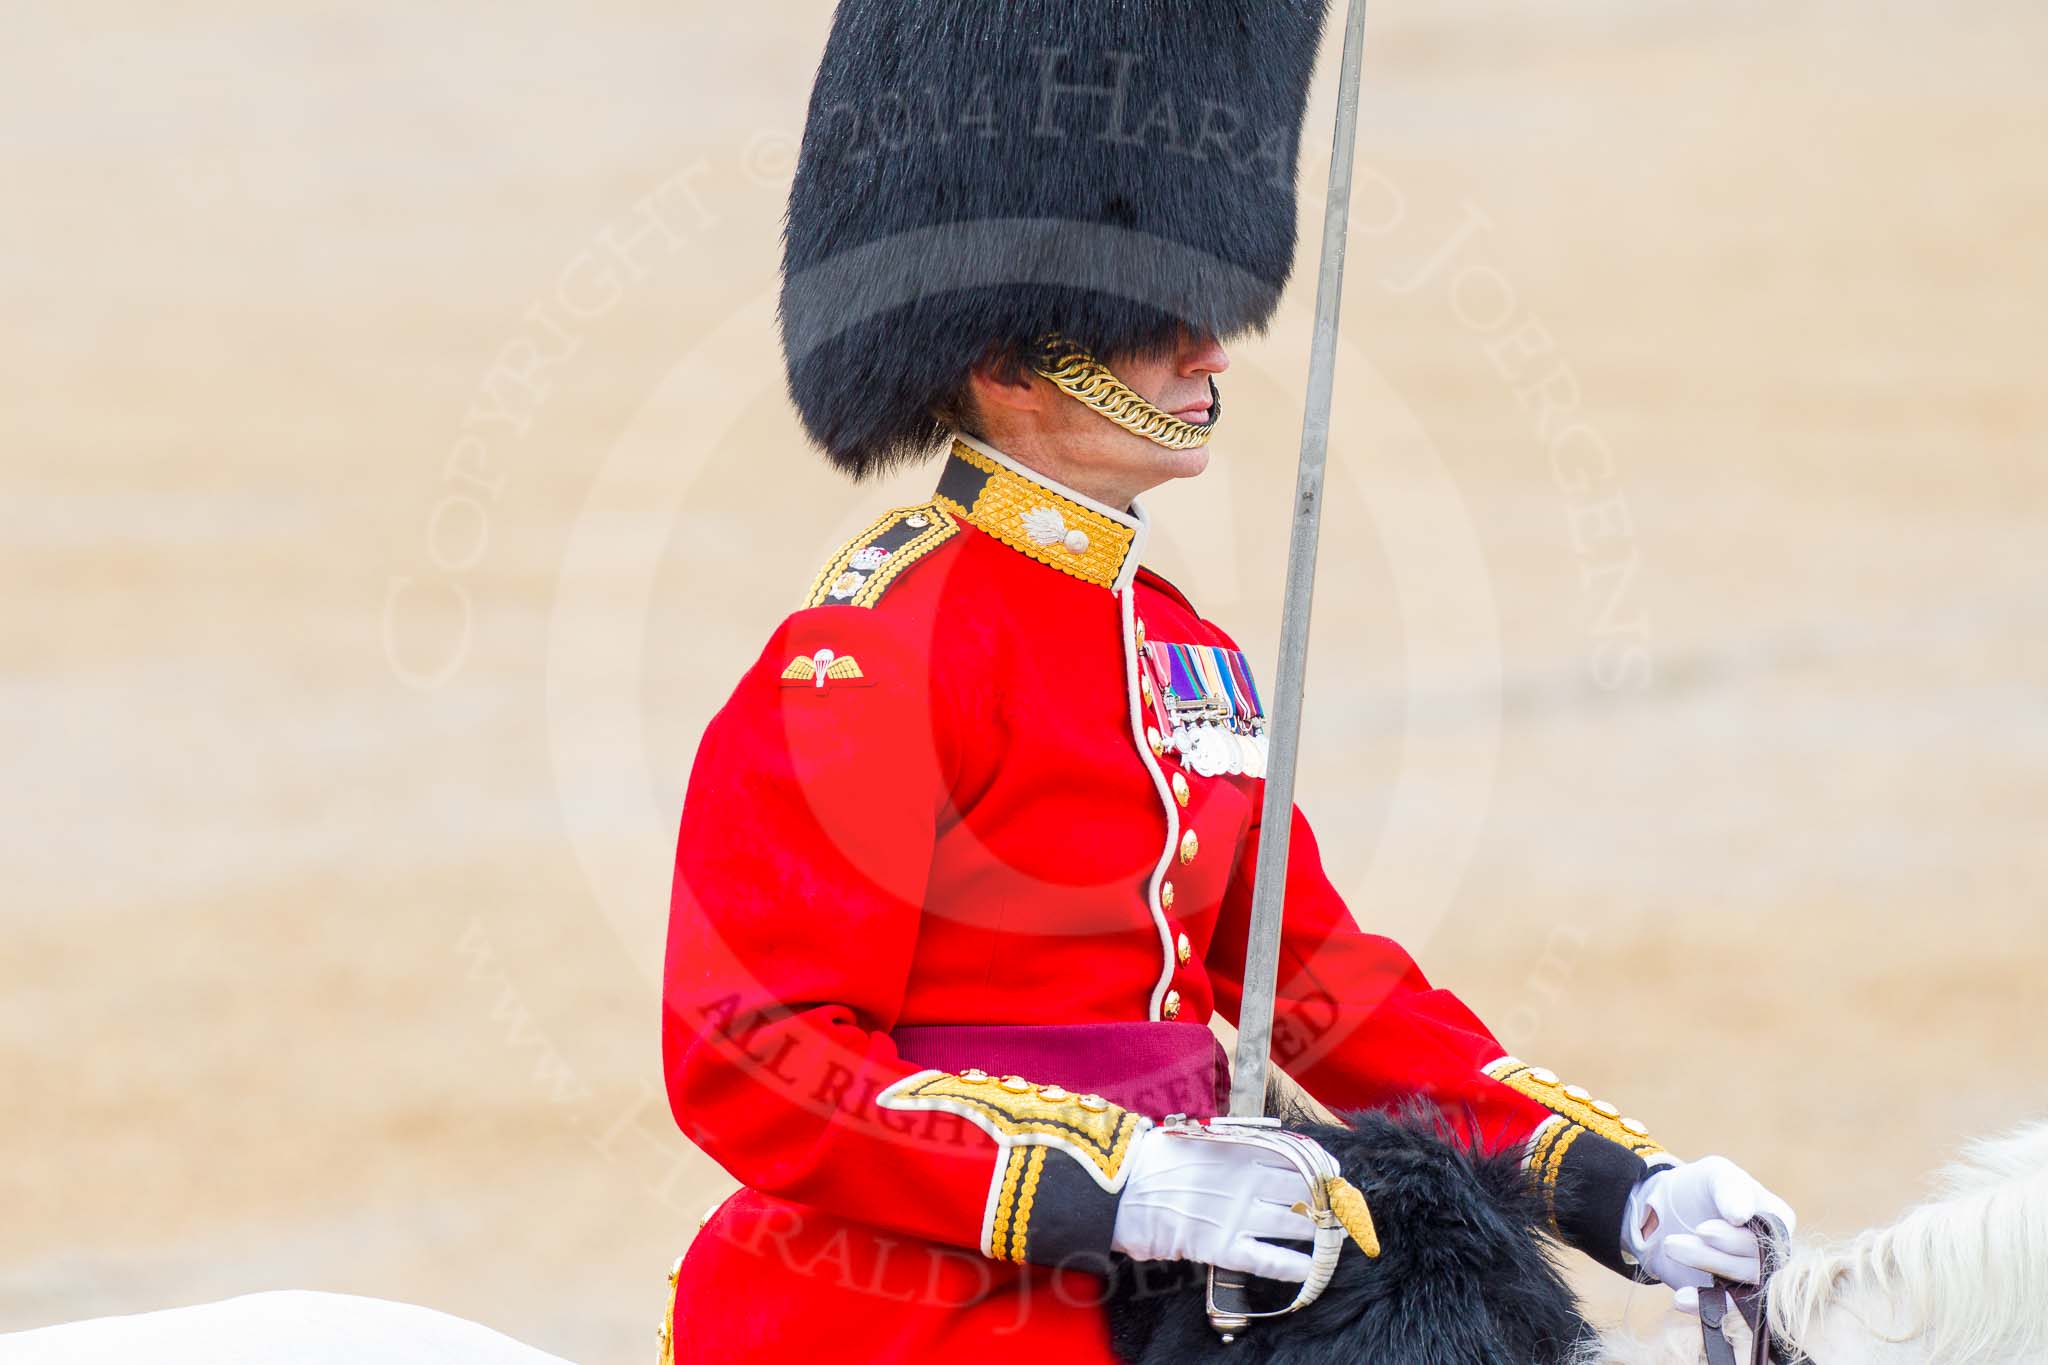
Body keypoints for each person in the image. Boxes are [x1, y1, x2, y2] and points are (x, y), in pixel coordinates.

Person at [660, 3, 1793, 1359]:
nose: (1207, 349)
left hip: (1195, 1270)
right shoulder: (873, 651)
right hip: (924, 1303)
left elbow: (1318, 985)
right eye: (1154, 322)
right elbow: (751, 1050)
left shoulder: (1178, 645)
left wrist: (1626, 1193)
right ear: (1009, 360)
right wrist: (1117, 1187)